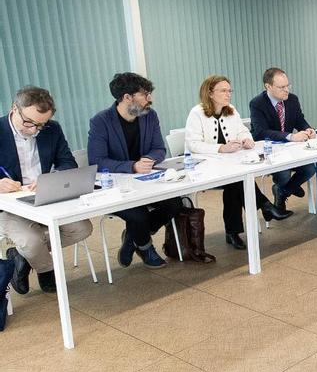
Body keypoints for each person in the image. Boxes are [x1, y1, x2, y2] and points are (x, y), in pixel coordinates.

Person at [0, 86, 92, 294]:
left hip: (43, 198)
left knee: (82, 228)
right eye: (29, 123)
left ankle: (22, 256)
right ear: (14, 108)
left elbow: (67, 163)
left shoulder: (52, 129)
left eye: (40, 125)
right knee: (31, 241)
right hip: (8, 206)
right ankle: (46, 269)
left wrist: (51, 178)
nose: (34, 130)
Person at [87, 72, 182, 269]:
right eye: (145, 94)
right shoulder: (101, 121)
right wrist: (132, 166)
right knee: (138, 215)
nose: (150, 99)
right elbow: (97, 161)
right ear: (127, 97)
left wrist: (149, 159)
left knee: (174, 204)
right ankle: (145, 247)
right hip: (116, 188)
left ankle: (132, 238)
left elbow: (159, 149)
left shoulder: (150, 116)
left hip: (147, 182)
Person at [185, 75, 292, 249]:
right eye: (223, 91)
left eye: (229, 91)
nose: (228, 94)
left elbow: (243, 131)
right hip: (205, 168)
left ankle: (234, 231)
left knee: (235, 181)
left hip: (229, 165)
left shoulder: (231, 110)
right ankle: (265, 206)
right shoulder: (196, 113)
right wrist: (221, 148)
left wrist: (246, 139)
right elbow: (193, 144)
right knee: (236, 181)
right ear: (210, 93)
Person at [249, 67, 316, 212]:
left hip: (290, 149)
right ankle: (288, 188)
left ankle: (282, 191)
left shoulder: (292, 99)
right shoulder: (257, 103)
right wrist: (290, 136)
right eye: (281, 87)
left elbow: (299, 120)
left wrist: (308, 129)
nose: (286, 90)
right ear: (268, 86)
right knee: (284, 173)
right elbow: (261, 132)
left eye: (288, 85)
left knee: (310, 169)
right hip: (270, 151)